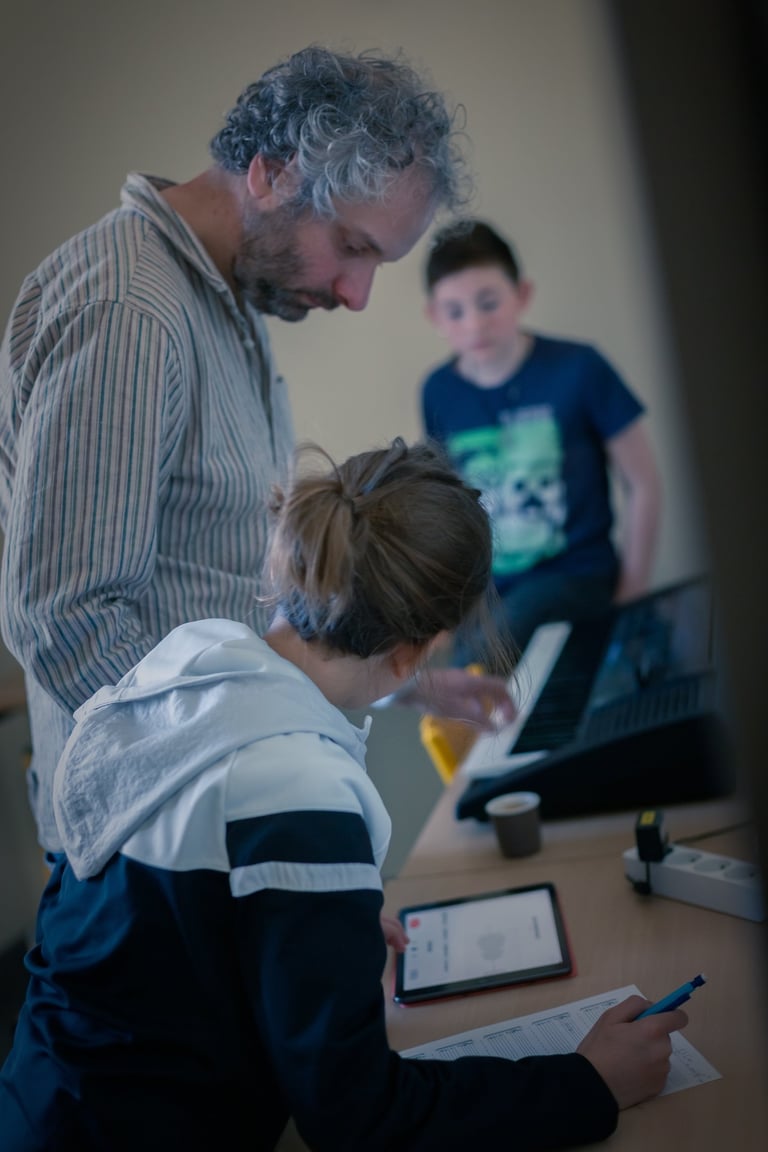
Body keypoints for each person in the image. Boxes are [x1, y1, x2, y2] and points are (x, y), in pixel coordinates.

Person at [0, 437, 687, 1151]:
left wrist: (303, 933)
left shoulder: (194, 662)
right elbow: (360, 1119)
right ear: (421, 645)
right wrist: (586, 1084)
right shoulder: (299, 791)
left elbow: (170, 924)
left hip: (43, 1095)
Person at [0, 47, 513, 855]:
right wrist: (272, 789)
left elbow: (237, 599)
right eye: (352, 247)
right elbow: (67, 621)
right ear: (270, 173)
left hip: (220, 831)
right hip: (167, 854)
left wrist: (395, 680)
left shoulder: (230, 299)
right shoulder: (129, 310)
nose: (356, 294)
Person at [420, 219, 662, 660]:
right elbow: (448, 511)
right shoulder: (438, 392)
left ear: (522, 296)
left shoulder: (580, 369)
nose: (474, 324)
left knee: (494, 648)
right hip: (492, 591)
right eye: (455, 311)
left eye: (488, 303)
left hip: (577, 575)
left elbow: (643, 482)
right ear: (435, 317)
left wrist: (632, 595)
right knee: (452, 666)